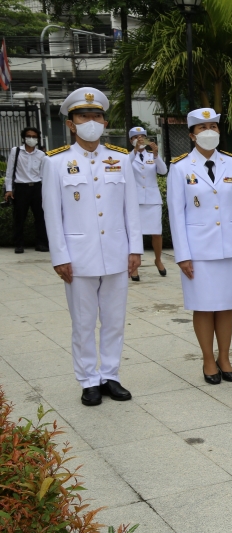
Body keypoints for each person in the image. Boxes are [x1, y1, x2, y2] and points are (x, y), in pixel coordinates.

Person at [41, 87, 142, 406]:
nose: (91, 121)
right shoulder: (56, 162)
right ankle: (88, 379)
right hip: (78, 256)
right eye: (84, 116)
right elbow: (52, 213)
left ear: (104, 121)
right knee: (83, 322)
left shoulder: (120, 158)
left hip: (116, 252)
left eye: (97, 115)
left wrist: (135, 249)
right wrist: (59, 256)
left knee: (114, 320)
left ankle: (110, 375)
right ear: (71, 124)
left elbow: (131, 208)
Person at [167, 108, 232, 385]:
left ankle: (225, 357)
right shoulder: (180, 167)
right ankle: (208, 359)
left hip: (229, 248)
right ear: (192, 135)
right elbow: (176, 214)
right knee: (203, 307)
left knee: (225, 305)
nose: (209, 132)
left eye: (214, 127)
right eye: (203, 128)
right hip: (198, 251)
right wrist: (182, 254)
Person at [128, 126, 168, 281]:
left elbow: (163, 171)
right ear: (131, 140)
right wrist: (135, 151)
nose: (140, 140)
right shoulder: (129, 157)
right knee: (135, 233)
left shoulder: (152, 156)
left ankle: (158, 260)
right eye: (136, 137)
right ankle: (135, 266)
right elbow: (124, 166)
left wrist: (157, 155)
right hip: (135, 200)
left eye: (142, 137)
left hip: (152, 199)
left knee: (156, 232)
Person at [4, 127, 48, 253]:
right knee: (19, 217)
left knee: (40, 217)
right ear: (24, 137)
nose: (31, 139)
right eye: (29, 136)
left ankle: (41, 243)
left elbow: (44, 174)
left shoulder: (41, 154)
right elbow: (9, 171)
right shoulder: (16, 151)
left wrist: (45, 191)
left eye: (34, 137)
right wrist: (9, 189)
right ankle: (19, 244)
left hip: (37, 188)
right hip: (21, 188)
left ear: (38, 139)